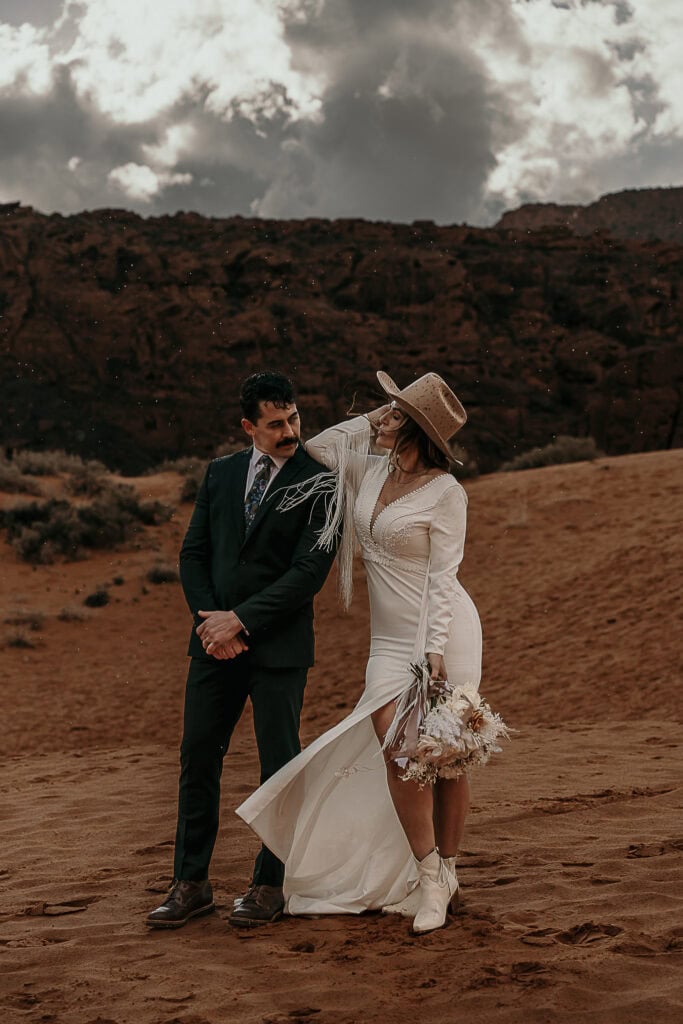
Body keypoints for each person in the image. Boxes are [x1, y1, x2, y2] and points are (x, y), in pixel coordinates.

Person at [237, 370, 483, 934]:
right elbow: (319, 447)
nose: (382, 418)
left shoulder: (448, 494)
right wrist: (374, 420)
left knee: (444, 757)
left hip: (441, 635)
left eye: (395, 414)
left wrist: (435, 650)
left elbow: (444, 579)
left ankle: (444, 874)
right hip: (387, 643)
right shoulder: (368, 471)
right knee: (400, 755)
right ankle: (427, 873)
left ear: (417, 431)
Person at [146, 371, 337, 930]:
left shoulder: (322, 482)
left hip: (278, 647)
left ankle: (269, 884)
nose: (290, 431)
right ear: (248, 426)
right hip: (214, 646)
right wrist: (211, 624)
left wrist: (241, 620)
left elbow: (309, 571)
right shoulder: (221, 473)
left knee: (279, 764)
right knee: (198, 757)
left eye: (294, 418)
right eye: (276, 423)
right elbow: (193, 554)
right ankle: (191, 884)